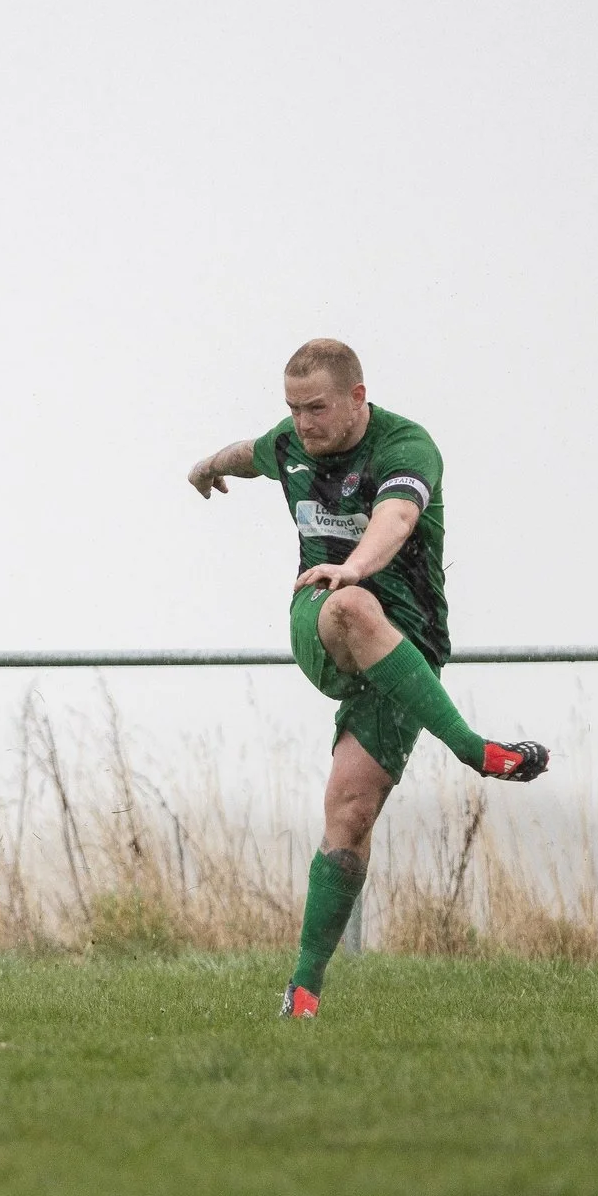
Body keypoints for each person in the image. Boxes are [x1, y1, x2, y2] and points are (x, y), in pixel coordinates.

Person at [188, 339, 547, 1018]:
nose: (303, 424)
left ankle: (302, 995)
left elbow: (399, 514)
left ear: (357, 398)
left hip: (408, 656)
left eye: (317, 408)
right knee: (350, 606)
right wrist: (208, 466)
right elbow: (250, 454)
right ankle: (478, 751)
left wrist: (358, 561)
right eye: (292, 410)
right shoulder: (291, 443)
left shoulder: (405, 446)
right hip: (322, 616)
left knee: (350, 816)